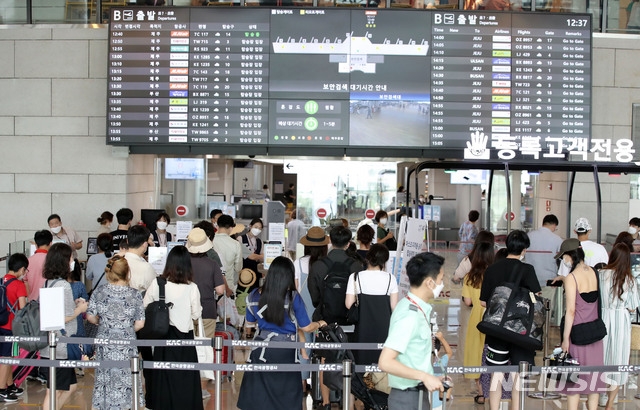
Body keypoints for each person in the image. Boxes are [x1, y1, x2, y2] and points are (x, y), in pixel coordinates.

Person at [237, 256, 327, 410]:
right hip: (285, 351)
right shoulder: (292, 297)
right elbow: (305, 327)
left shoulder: (254, 295)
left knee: (260, 396)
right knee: (286, 396)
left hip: (261, 350)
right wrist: (320, 323)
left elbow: (250, 324)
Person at [479, 229, 540, 410]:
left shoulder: (492, 269)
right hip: (521, 331)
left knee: (496, 375)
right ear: (524, 250)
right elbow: (536, 298)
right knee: (518, 377)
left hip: (496, 330)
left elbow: (483, 302)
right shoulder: (528, 270)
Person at [378, 252, 445, 410]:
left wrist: (432, 377)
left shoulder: (415, 309)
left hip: (417, 395)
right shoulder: (409, 316)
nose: (443, 284)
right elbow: (385, 362)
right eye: (441, 279)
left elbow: (412, 356)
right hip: (407, 399)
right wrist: (423, 376)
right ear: (429, 282)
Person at [143, 246, 203, 410]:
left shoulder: (158, 283)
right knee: (186, 375)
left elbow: (146, 305)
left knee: (164, 375)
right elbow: (196, 314)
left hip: (164, 335)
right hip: (185, 337)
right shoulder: (192, 287)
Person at [86, 255, 145, 410]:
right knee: (128, 377)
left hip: (105, 341)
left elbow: (90, 316)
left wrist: (103, 323)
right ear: (127, 273)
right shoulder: (135, 294)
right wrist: (127, 328)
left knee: (104, 378)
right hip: (127, 342)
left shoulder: (99, 292)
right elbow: (140, 323)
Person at [554, 238, 607, 409]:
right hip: (594, 335)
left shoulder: (572, 278)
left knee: (574, 385)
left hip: (577, 335)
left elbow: (570, 311)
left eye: (564, 257)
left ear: (571, 256)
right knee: (593, 384)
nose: (564, 260)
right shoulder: (593, 272)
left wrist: (565, 339)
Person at [41, 243, 89, 410]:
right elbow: (64, 317)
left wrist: (74, 304)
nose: (72, 261)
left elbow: (54, 312)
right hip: (62, 345)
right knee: (54, 391)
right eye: (70, 258)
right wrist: (80, 309)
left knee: (68, 387)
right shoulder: (64, 285)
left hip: (51, 344)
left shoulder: (49, 283)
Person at [598, 243, 640, 408]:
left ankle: (599, 395)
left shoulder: (601, 274)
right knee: (618, 358)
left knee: (602, 357)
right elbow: (632, 306)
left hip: (602, 318)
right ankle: (611, 402)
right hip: (621, 321)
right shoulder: (629, 279)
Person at [345, 244, 398, 365]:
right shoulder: (391, 279)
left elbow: (348, 304)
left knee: (361, 364)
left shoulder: (355, 277)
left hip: (362, 328)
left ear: (368, 258)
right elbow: (394, 308)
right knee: (382, 364)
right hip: (384, 330)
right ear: (384, 260)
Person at [294, 226, 330, 392]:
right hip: (323, 311)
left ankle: (302, 384)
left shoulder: (298, 263)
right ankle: (324, 391)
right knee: (324, 351)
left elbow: (295, 290)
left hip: (303, 311)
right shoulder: (327, 264)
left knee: (304, 348)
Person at [462, 241, 494, 404]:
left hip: (476, 318)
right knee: (491, 353)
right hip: (493, 317)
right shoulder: (494, 274)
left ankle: (481, 394)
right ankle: (492, 392)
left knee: (476, 354)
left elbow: (467, 301)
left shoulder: (469, 276)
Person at [186, 227, 225, 338]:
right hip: (207, 309)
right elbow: (220, 290)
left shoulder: (183, 264)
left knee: (189, 346)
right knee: (206, 347)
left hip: (186, 310)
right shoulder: (213, 264)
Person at [0, 253, 29, 402]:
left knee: (8, 356)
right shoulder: (19, 285)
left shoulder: (1, 281)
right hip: (9, 326)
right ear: (22, 269)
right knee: (6, 358)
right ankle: (1, 389)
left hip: (0, 323)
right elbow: (23, 309)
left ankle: (9, 384)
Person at [212, 215, 243, 294]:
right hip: (229, 286)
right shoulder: (236, 244)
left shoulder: (210, 241)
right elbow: (238, 268)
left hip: (212, 284)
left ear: (217, 225)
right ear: (231, 228)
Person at [25, 229, 52, 302]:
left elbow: (25, 282)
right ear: (50, 243)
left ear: (36, 245)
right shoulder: (52, 260)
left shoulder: (27, 261)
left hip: (32, 302)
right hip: (49, 300)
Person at [237, 217, 264, 291]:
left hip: (256, 271)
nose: (257, 230)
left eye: (260, 228)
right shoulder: (241, 238)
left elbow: (262, 258)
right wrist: (259, 256)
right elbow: (252, 256)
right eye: (256, 227)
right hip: (243, 271)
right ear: (250, 226)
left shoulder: (260, 242)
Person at [431, 332, 453, 410]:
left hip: (423, 402)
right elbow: (449, 352)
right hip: (438, 403)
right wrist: (442, 339)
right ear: (438, 351)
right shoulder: (441, 362)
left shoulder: (420, 364)